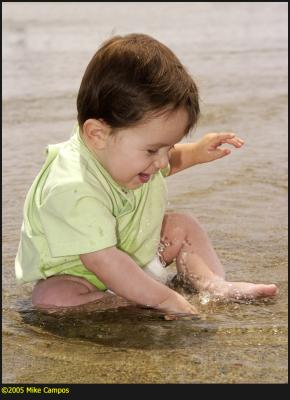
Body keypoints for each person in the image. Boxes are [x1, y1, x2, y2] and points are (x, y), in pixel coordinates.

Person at [15, 33, 278, 316]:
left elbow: (169, 163)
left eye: (170, 146)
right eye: (153, 150)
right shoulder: (72, 186)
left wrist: (196, 152)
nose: (162, 160)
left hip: (136, 256)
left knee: (182, 225)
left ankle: (213, 284)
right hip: (81, 275)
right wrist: (164, 299)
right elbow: (102, 260)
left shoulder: (122, 151)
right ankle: (127, 301)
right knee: (51, 298)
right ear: (97, 134)